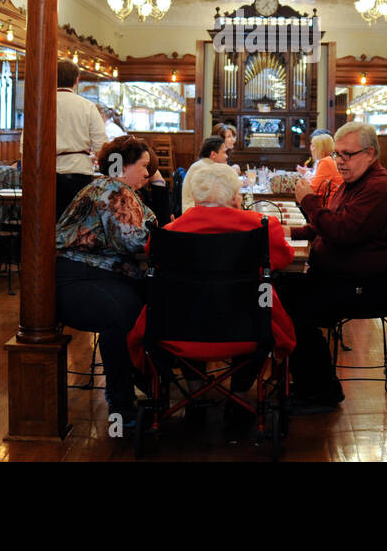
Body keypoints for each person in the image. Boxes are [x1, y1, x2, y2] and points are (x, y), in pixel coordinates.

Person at [126, 162, 296, 438]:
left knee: (192, 303)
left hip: (177, 329)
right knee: (253, 307)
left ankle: (195, 394)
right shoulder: (263, 227)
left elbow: (150, 257)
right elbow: (284, 259)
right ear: (234, 197)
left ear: (195, 196)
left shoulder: (169, 232)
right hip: (248, 328)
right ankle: (239, 396)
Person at [278, 121, 387, 413]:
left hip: (369, 287)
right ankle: (311, 383)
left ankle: (320, 391)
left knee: (290, 308)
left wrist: (308, 201)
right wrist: (285, 231)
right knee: (279, 293)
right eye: (337, 154)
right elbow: (324, 226)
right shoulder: (355, 184)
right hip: (343, 278)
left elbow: (341, 232)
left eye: (347, 155)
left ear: (371, 153)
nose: (339, 161)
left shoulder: (381, 188)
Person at [55, 135, 156, 424]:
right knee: (124, 316)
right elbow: (131, 241)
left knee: (145, 306)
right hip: (77, 279)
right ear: (123, 166)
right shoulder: (113, 188)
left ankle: (142, 387)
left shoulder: (114, 188)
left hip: (94, 275)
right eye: (144, 166)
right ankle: (122, 402)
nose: (147, 173)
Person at [55, 59, 106, 222]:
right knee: (78, 223)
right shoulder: (87, 106)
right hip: (79, 172)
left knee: (49, 222)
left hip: (47, 173)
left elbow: (25, 145)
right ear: (77, 80)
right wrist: (114, 176)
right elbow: (102, 147)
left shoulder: (41, 103)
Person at [181, 136, 231, 212]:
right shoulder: (203, 169)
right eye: (224, 152)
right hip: (194, 215)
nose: (226, 156)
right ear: (213, 154)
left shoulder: (207, 165)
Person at [296, 132, 343, 199]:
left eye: (313, 146)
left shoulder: (326, 162)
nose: (311, 149)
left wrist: (304, 176)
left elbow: (314, 190)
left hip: (328, 204)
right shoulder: (331, 159)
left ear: (320, 148)